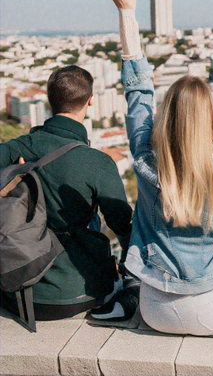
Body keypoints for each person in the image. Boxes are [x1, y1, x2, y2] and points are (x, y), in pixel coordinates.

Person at [98, 0, 213, 335]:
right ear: (211, 117)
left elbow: (138, 94)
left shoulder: (147, 158)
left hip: (152, 308)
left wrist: (127, 14)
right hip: (210, 314)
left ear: (169, 115)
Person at [0, 65, 133, 320]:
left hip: (16, 290)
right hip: (79, 292)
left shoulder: (17, 148)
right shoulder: (97, 162)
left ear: (50, 101)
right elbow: (123, 227)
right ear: (91, 100)